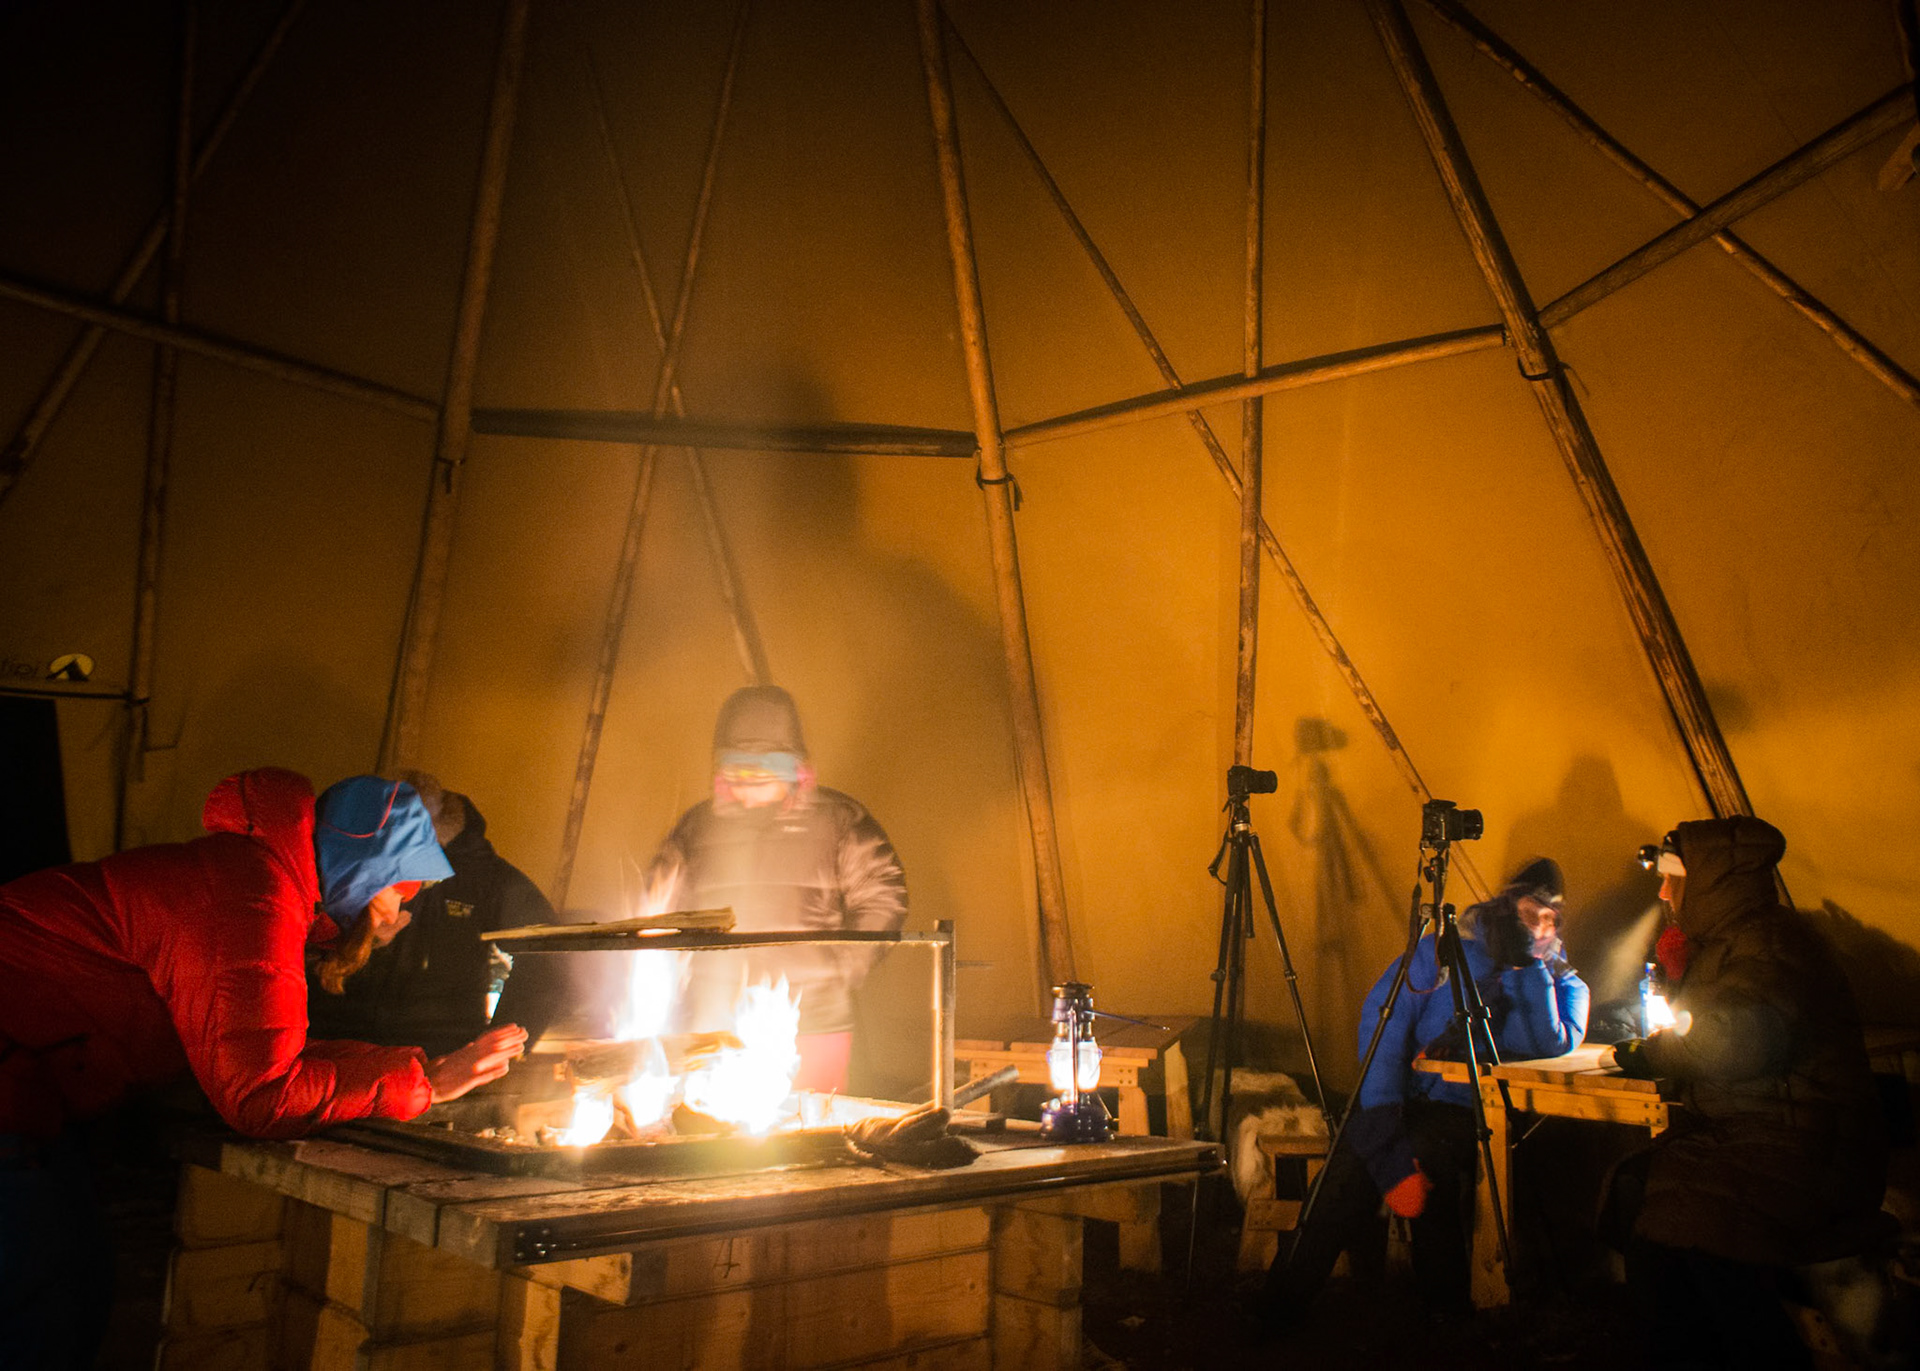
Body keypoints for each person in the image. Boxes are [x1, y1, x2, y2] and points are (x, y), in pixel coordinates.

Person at [0, 768, 525, 1368]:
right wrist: (424, 1084)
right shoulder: (251, 900)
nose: (404, 912)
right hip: (12, 1088)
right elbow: (264, 1094)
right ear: (367, 872)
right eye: (404, 890)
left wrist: (420, 1070)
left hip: (29, 1087)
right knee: (46, 1299)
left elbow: (275, 1054)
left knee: (70, 1279)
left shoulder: (256, 879)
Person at [1609, 817, 1897, 1369]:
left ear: (1714, 881)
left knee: (1703, 1236)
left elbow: (1739, 1044)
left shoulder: (1773, 942)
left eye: (1674, 877)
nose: (1663, 890)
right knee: (1641, 1200)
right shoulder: (1727, 943)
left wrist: (1661, 1049)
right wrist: (1675, 978)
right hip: (1749, 1135)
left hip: (1810, 1143)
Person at [1264, 857, 1588, 1324]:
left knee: (1424, 1158)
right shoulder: (1443, 954)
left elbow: (1548, 1041)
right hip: (1406, 1097)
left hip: (1474, 1111)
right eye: (1529, 910)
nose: (1537, 923)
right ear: (1506, 904)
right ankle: (1278, 1307)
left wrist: (1530, 965)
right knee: (1348, 1167)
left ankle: (1445, 1310)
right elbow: (1386, 1025)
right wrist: (1378, 1117)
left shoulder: (1561, 981)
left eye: (1548, 918)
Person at [642, 685, 907, 1093]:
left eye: (761, 774)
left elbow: (882, 896)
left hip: (812, 1025)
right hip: (712, 1028)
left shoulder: (839, 821)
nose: (747, 789)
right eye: (736, 774)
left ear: (794, 769)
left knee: (812, 1138)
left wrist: (840, 967)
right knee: (716, 1146)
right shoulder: (697, 827)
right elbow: (659, 907)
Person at [309, 772, 567, 1056]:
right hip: (332, 1044)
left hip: (441, 1051)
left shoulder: (484, 878)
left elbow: (548, 951)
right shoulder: (327, 869)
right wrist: (354, 942)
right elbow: (296, 950)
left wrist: (502, 1047)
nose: (395, 909)